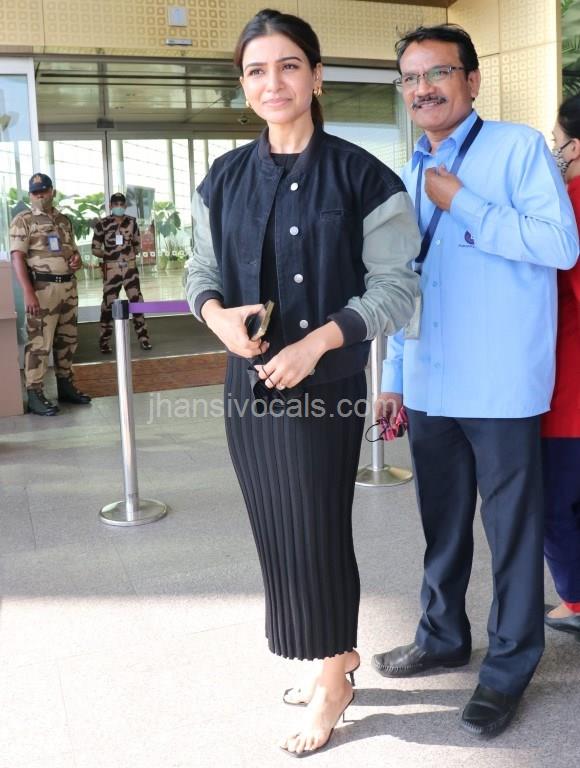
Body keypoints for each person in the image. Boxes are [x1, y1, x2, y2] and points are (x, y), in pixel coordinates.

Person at [186, 8, 420, 757]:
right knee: (277, 526)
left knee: (316, 527)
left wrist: (319, 341)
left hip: (325, 389)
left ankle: (332, 682)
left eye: (289, 65)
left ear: (317, 76)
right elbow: (200, 272)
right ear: (243, 85)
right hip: (247, 389)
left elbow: (398, 291)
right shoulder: (223, 178)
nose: (273, 81)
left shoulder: (364, 176)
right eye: (256, 70)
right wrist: (218, 318)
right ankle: (335, 655)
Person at [372, 23, 579, 738]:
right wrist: (394, 375)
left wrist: (464, 202)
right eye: (410, 77)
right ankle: (441, 636)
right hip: (431, 382)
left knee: (512, 532)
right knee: (441, 523)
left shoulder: (518, 149)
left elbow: (559, 244)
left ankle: (510, 666)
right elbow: (406, 280)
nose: (422, 88)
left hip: (502, 384)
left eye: (438, 72)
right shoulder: (406, 171)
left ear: (472, 80)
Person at [542, 94, 580, 640]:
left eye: (557, 142)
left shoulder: (570, 201)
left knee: (556, 505)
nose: (556, 151)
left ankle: (575, 600)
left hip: (569, 394)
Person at [10, 173, 92, 416]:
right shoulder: (23, 220)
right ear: (30, 195)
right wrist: (28, 292)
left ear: (52, 191)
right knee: (39, 343)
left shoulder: (64, 220)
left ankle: (65, 386)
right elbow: (17, 257)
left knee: (68, 340)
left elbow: (72, 251)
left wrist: (77, 260)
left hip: (68, 288)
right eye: (35, 193)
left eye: (44, 191)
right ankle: (34, 394)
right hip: (42, 290)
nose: (40, 196)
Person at [91, 192, 152, 353]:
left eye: (121, 204)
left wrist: (129, 255)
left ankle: (144, 339)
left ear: (125, 206)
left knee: (137, 302)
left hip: (130, 268)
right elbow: (95, 248)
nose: (118, 206)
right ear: (110, 206)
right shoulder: (102, 224)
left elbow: (137, 244)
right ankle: (104, 342)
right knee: (108, 305)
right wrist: (108, 256)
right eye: (115, 204)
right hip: (111, 269)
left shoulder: (132, 222)